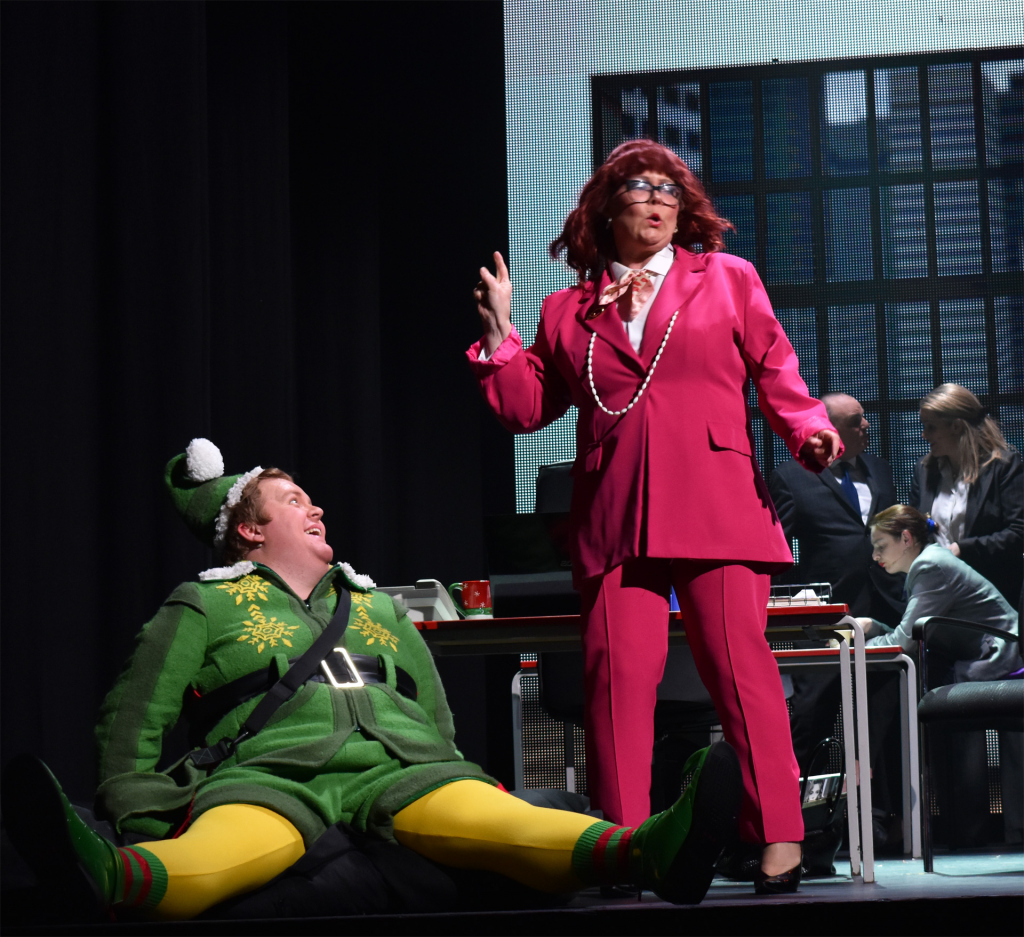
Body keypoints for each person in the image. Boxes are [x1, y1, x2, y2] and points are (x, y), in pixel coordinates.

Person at [2, 438, 745, 921]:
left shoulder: (379, 606)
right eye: (293, 500)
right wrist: (136, 811)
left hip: (403, 769)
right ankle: (104, 873)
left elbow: (437, 717)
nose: (315, 507)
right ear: (250, 530)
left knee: (508, 824)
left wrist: (449, 770)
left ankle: (652, 850)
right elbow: (132, 718)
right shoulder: (203, 603)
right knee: (221, 850)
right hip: (272, 774)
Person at [466, 138, 841, 891]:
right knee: (615, 685)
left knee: (740, 672)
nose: (659, 198)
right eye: (641, 186)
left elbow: (777, 372)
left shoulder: (727, 278)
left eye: (670, 188)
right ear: (607, 207)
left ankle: (778, 834)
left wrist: (809, 430)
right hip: (614, 513)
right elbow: (526, 408)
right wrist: (500, 335)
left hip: (715, 500)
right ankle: (624, 846)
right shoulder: (568, 309)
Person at [769, 392, 907, 847]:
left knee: (882, 721)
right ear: (830, 429)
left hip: (884, 612)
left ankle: (879, 821)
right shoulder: (792, 476)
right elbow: (776, 546)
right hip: (826, 618)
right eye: (856, 420)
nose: (867, 426)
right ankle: (798, 824)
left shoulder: (880, 470)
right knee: (812, 718)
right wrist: (791, 604)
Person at [861, 504, 1022, 847]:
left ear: (906, 539)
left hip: (998, 658)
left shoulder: (930, 565)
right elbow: (913, 634)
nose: (875, 556)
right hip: (978, 659)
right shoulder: (929, 562)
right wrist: (874, 627)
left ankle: (969, 835)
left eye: (881, 546)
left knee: (946, 715)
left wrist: (860, 643)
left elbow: (905, 641)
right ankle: (967, 834)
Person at [911, 383, 1023, 606]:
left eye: (931, 427)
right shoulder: (923, 471)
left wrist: (962, 550)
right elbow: (916, 529)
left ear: (956, 426)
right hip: (937, 596)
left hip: (992, 597)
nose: (924, 435)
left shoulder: (1004, 467)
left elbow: (1019, 533)